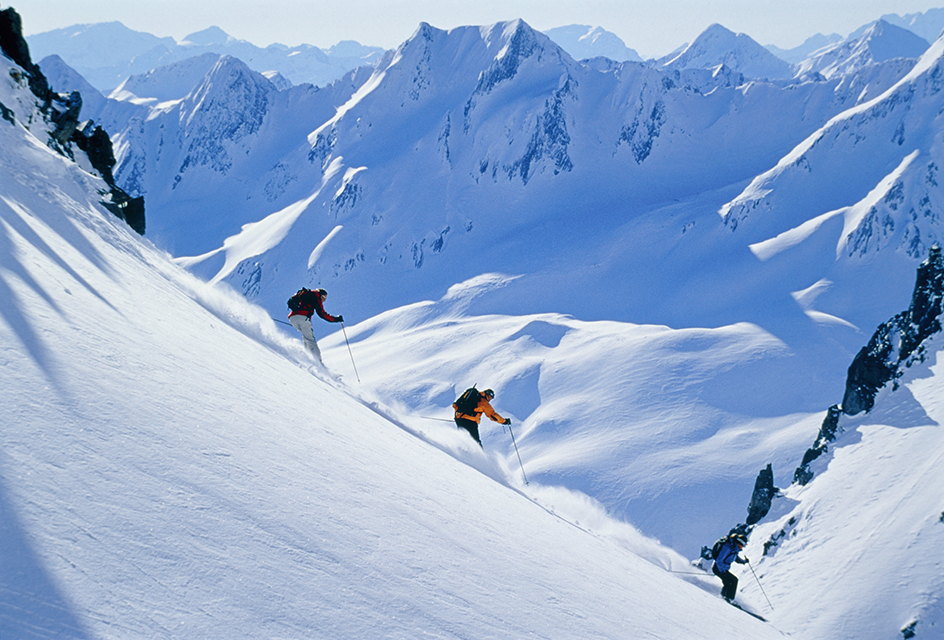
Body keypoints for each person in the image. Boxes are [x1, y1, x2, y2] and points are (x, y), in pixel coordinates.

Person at [287, 287, 343, 362]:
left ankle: (307, 357)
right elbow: (322, 314)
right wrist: (336, 319)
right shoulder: (316, 297)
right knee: (310, 339)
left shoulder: (305, 294)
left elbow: (291, 300)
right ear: (321, 295)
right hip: (303, 318)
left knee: (306, 337)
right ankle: (318, 361)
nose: (324, 300)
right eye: (324, 297)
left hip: (292, 318)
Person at [712, 533, 749, 602]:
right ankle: (729, 599)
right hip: (718, 568)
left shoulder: (734, 548)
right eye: (743, 545)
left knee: (728, 583)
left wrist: (744, 561)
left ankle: (724, 597)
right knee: (733, 581)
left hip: (723, 569)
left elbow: (735, 558)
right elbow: (719, 560)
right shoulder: (727, 547)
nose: (743, 547)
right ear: (739, 542)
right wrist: (722, 572)